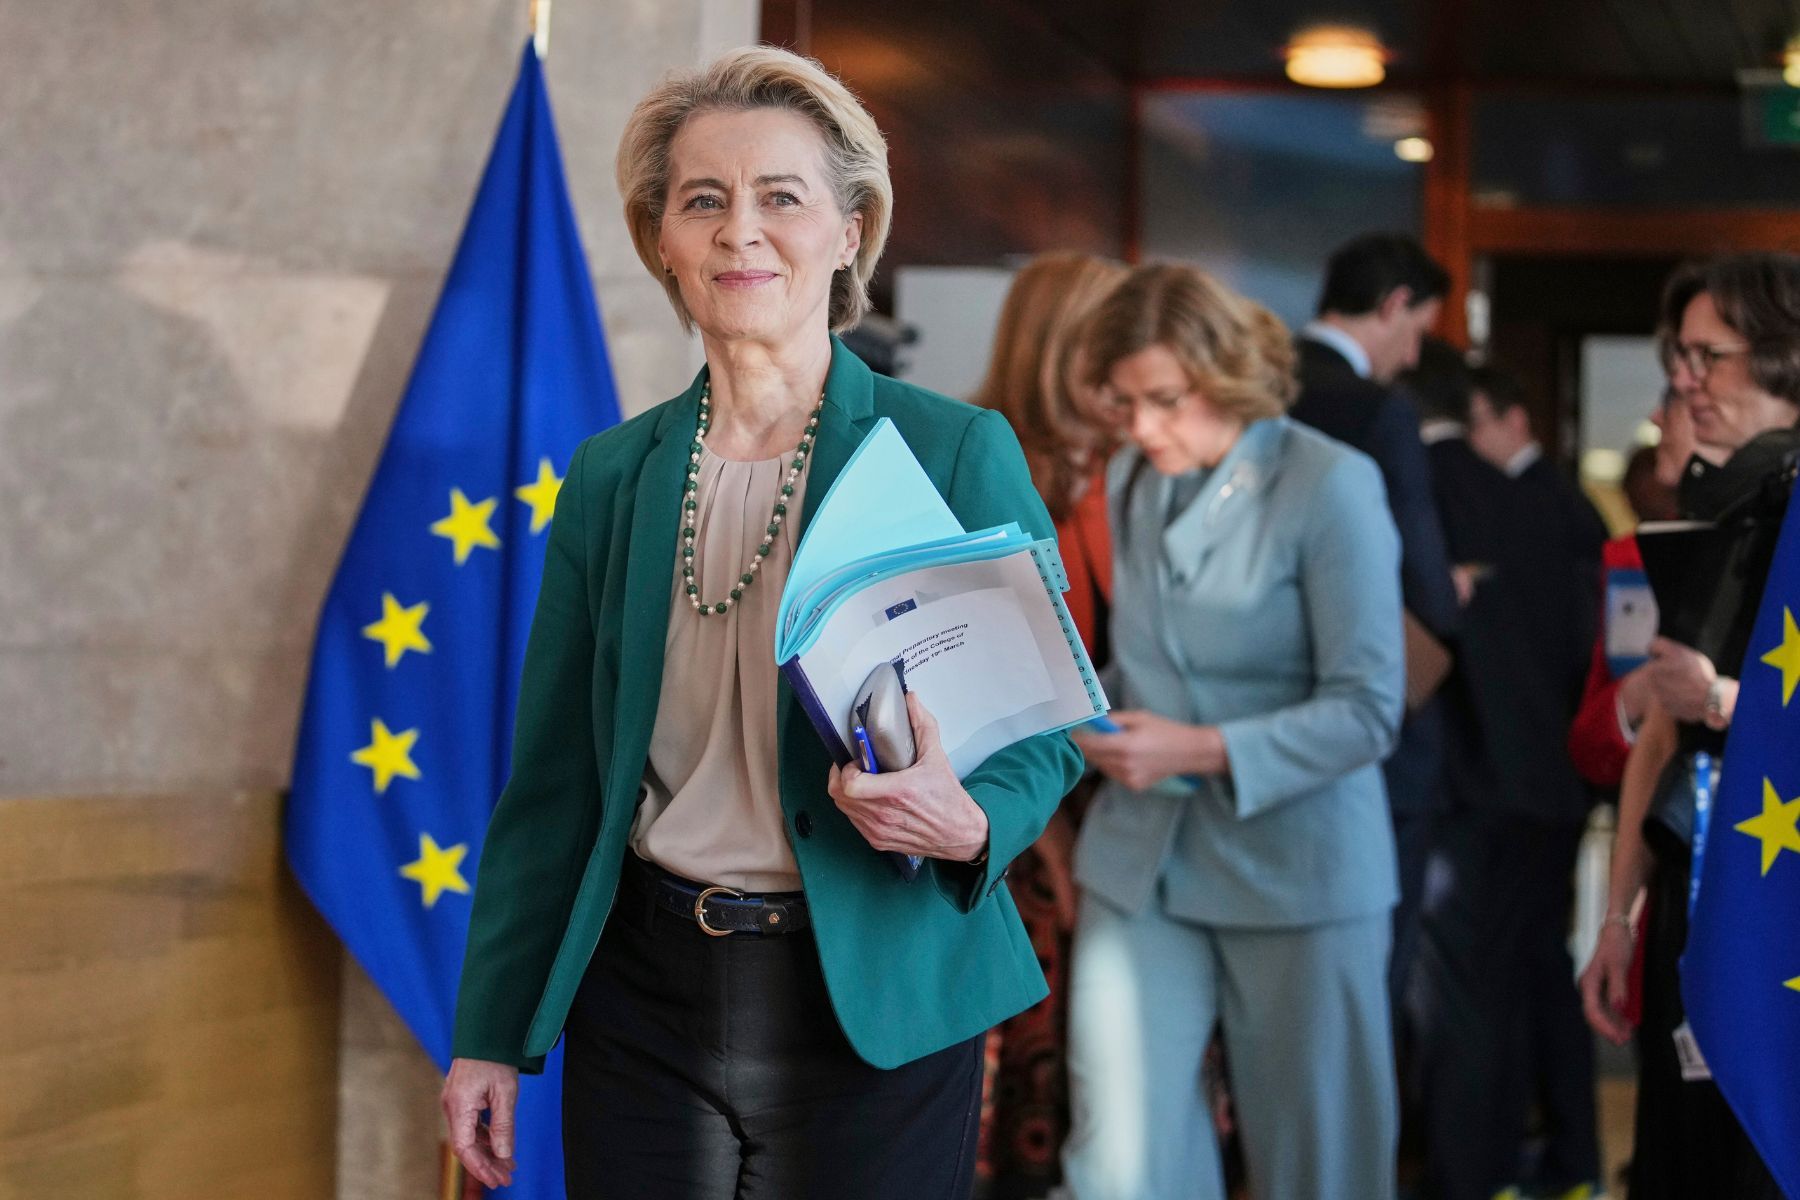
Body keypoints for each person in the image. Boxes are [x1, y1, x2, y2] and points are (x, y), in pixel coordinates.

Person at [440, 47, 1083, 1199]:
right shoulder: (609, 478)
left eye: (781, 196)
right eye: (704, 200)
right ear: (664, 244)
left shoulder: (953, 452)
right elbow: (552, 784)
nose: (742, 230)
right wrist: (489, 1029)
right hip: (642, 993)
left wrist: (969, 823)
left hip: (875, 992)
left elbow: (1047, 729)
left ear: (848, 232)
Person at [1058, 262, 1405, 1200]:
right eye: (1121, 402)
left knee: (1317, 1161)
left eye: (1162, 399)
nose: (1139, 427)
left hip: (1299, 868)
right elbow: (1150, 663)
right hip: (1143, 860)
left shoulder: (1332, 484)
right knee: (1115, 1160)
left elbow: (1370, 708)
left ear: (1229, 375)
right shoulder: (1133, 474)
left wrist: (1199, 748)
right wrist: (1068, 707)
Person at [1580, 253, 1800, 1200]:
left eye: (1709, 356)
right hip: (1695, 880)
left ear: (1786, 358)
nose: (1683, 380)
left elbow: (1703, 705)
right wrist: (1618, 915)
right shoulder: (1715, 506)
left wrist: (1721, 700)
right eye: (1680, 356)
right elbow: (1661, 734)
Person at [1410, 360, 1607, 1200]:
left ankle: (1472, 1173)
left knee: (1470, 995)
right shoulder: (1558, 507)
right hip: (1556, 783)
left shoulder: (1430, 493)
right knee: (1538, 971)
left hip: (1471, 782)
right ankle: (1573, 1161)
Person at [971, 251, 1127, 1199]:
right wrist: (1055, 834)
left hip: (1129, 801)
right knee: (1031, 1053)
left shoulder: (1131, 469)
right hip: (1020, 809)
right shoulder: (981, 461)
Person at [1289, 232, 1461, 1007]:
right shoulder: (1379, 410)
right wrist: (1450, 606)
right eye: (1420, 328)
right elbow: (1424, 581)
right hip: (1368, 731)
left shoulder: (1255, 386)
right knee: (1364, 982)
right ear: (1394, 307)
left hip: (1252, 716)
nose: (1416, 353)